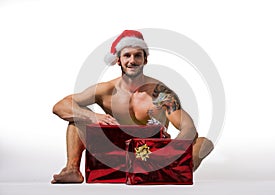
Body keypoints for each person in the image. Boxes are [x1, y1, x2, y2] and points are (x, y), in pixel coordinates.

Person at [51, 30, 214, 184]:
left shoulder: (160, 93)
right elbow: (61, 106)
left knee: (203, 142)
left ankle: (172, 169)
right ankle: (72, 169)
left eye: (138, 55)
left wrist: (170, 152)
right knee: (77, 117)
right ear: (118, 60)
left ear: (145, 59)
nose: (132, 60)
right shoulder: (105, 90)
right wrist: (93, 117)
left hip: (152, 156)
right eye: (127, 55)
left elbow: (189, 128)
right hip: (117, 154)